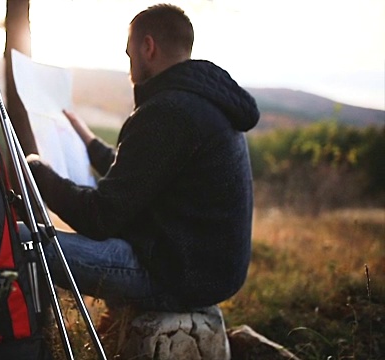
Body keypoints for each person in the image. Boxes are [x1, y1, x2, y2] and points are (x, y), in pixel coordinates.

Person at [20, 3, 259, 320]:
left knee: (19, 239)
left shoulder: (169, 111)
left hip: (175, 276)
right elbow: (142, 175)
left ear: (148, 47)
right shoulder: (202, 100)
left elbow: (100, 217)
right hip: (205, 270)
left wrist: (37, 173)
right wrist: (89, 142)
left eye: (129, 53)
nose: (129, 64)